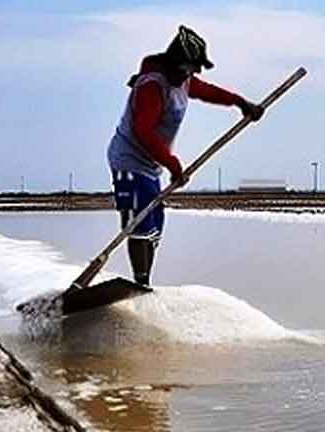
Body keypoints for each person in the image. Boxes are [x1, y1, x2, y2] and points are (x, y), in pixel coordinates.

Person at [107, 26, 264, 287]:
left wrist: (240, 102)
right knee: (139, 222)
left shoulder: (184, 80)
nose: (194, 73)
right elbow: (142, 131)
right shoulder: (152, 85)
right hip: (128, 160)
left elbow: (209, 91)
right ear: (176, 62)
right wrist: (173, 164)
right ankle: (141, 282)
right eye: (191, 66)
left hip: (151, 166)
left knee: (155, 223)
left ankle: (143, 282)